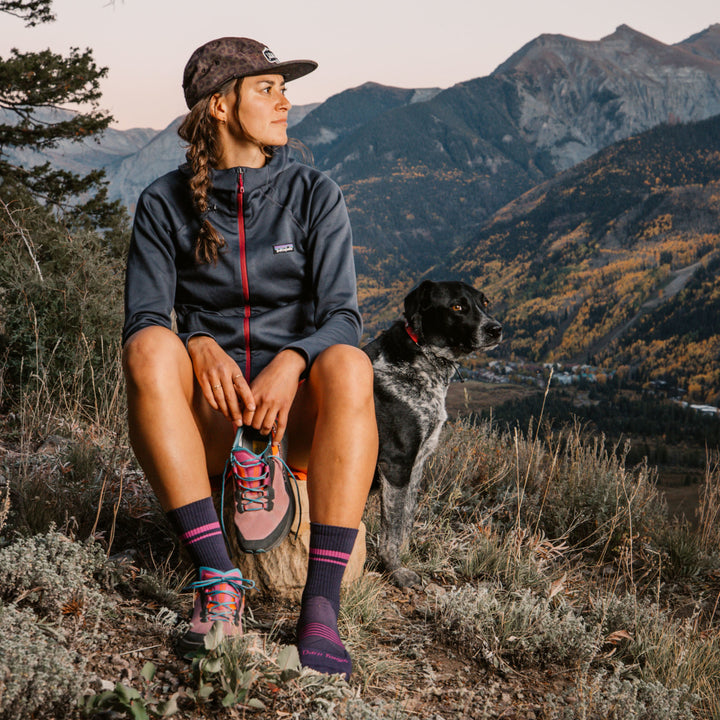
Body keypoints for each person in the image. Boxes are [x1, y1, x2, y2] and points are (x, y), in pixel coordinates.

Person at [121, 37, 378, 680]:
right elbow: (147, 319)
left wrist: (292, 361)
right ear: (219, 106)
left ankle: (320, 607)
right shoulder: (162, 202)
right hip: (214, 414)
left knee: (350, 363)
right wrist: (197, 342)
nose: (285, 101)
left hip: (291, 419)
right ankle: (218, 577)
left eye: (282, 88)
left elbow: (344, 317)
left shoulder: (315, 192)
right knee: (150, 349)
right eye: (267, 88)